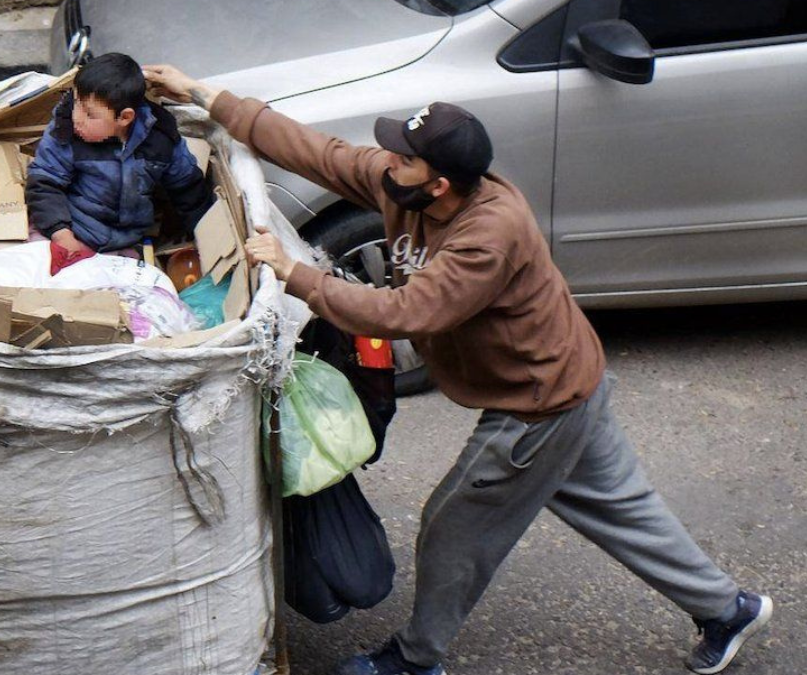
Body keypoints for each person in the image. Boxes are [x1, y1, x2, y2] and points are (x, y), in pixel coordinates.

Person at [143, 64, 773, 675]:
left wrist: (294, 272)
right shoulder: (404, 186)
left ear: (438, 182)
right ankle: (728, 609)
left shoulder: (488, 235)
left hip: (538, 403)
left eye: (403, 158)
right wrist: (204, 94)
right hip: (573, 378)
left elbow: (403, 311)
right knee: (623, 508)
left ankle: (416, 659)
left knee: (453, 529)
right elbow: (319, 151)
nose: (386, 161)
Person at [26, 53, 213, 274]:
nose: (77, 117)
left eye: (90, 114)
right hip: (71, 232)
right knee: (35, 268)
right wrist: (61, 234)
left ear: (124, 118)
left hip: (125, 244)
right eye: (76, 103)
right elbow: (44, 182)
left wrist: (207, 240)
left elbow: (189, 190)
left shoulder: (161, 138)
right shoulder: (65, 129)